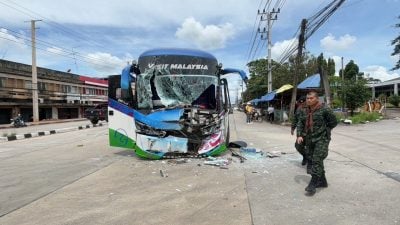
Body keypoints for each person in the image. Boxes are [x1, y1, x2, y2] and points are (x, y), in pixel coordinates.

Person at [296, 90, 338, 195]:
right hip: (310, 139)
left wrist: (324, 131)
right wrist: (299, 135)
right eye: (307, 98)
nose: (308, 100)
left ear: (317, 99)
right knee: (313, 159)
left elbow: (333, 122)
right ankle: (323, 181)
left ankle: (313, 183)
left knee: (317, 159)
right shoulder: (304, 110)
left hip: (322, 139)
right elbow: (300, 122)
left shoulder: (325, 109)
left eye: (311, 98)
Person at [291, 96, 308, 167]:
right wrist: (293, 128)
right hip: (301, 132)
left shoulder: (311, 108)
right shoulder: (299, 109)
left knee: (311, 147)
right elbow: (295, 118)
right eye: (300, 103)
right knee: (298, 145)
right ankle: (305, 156)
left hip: (310, 131)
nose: (301, 104)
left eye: (303, 102)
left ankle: (311, 161)